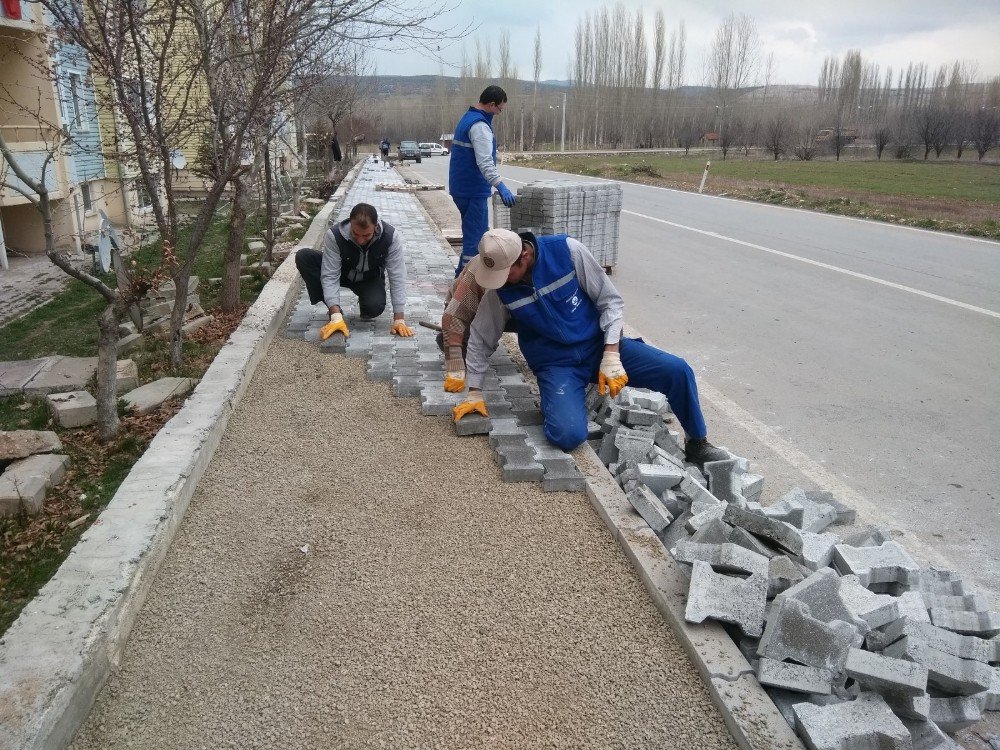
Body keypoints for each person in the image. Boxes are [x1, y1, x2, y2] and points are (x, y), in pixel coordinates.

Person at [452, 228, 729, 467]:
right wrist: (474, 390)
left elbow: (610, 302)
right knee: (567, 435)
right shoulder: (501, 288)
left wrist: (611, 354)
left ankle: (697, 443)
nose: (501, 281)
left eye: (506, 273)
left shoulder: (567, 251)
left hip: (599, 348)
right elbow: (481, 336)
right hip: (556, 364)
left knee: (677, 370)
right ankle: (559, 399)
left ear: (524, 255)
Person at [294, 202, 414, 339]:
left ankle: (366, 303)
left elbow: (397, 276)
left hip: (369, 277)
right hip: (343, 272)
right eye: (355, 234)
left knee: (373, 308)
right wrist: (335, 314)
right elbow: (330, 275)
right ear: (350, 223)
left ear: (376, 227)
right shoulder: (335, 235)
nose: (360, 240)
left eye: (366, 235)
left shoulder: (390, 237)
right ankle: (334, 313)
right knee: (304, 257)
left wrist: (399, 319)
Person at [448, 85, 517, 278]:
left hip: (462, 188)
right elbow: (485, 162)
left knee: (472, 233)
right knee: (476, 240)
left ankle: (460, 275)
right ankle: (467, 283)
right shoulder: (480, 126)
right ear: (492, 104)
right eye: (500, 109)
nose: (499, 113)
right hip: (473, 190)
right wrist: (500, 186)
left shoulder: (467, 118)